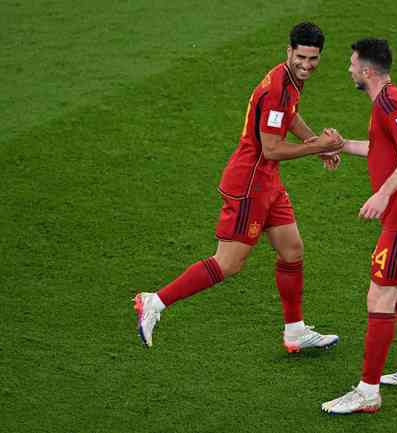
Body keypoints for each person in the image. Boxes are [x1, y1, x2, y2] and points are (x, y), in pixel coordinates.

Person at [134, 22, 343, 353]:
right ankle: (155, 302)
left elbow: (290, 116)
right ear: (289, 51)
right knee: (228, 263)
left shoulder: (288, 80)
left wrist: (315, 140)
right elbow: (271, 147)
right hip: (250, 185)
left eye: (313, 59)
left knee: (292, 250)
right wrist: (318, 147)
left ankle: (295, 331)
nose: (307, 65)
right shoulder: (277, 89)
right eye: (301, 57)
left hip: (267, 181)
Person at [321, 38, 397, 414]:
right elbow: (384, 150)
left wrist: (385, 193)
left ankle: (367, 392)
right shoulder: (390, 100)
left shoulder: (390, 103)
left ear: (367, 71)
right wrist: (340, 145)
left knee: (380, 296)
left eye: (352, 63)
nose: (349, 69)